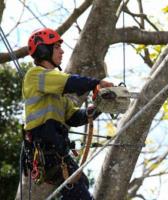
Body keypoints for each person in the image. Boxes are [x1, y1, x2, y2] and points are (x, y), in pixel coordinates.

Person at [22, 28, 113, 200]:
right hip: (47, 151)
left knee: (82, 183)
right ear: (43, 50)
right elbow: (69, 82)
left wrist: (99, 107)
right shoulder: (35, 75)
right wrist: (97, 83)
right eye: (56, 47)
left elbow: (74, 117)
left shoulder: (55, 93)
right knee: (80, 195)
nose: (62, 51)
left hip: (56, 151)